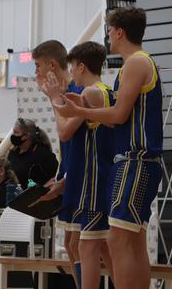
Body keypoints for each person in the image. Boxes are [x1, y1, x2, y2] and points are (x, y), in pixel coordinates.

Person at [55, 7, 163, 289]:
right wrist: (82, 110)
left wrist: (81, 111)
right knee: (133, 241)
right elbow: (119, 121)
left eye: (109, 30)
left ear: (119, 32)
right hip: (132, 160)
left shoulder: (136, 63)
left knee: (116, 240)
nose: (107, 37)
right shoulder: (135, 65)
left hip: (135, 158)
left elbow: (118, 116)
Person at [63, 41, 116, 289]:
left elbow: (64, 131)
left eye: (73, 67)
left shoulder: (90, 93)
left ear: (81, 66)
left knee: (85, 245)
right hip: (100, 176)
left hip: (95, 179)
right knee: (101, 246)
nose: (72, 73)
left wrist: (54, 97)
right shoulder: (107, 90)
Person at [33, 39, 84, 288]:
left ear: (52, 64)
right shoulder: (62, 93)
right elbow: (66, 144)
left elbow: (72, 139)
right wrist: (61, 175)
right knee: (70, 245)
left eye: (38, 66)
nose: (36, 73)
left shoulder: (77, 92)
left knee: (85, 245)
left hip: (85, 180)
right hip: (70, 174)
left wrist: (66, 180)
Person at [7, 118, 58, 190]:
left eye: (16, 132)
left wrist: (42, 189)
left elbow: (54, 177)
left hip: (34, 198)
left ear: (26, 136)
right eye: (13, 132)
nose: (13, 135)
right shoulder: (13, 152)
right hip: (13, 195)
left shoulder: (42, 154)